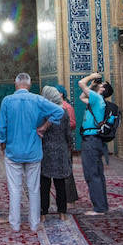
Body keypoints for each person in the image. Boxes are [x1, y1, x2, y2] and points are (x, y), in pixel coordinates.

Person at [0, 73, 65, 233]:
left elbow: (2, 128)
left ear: (15, 84)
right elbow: (59, 112)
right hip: (33, 151)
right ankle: (34, 224)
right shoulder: (37, 100)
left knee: (14, 189)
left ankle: (15, 225)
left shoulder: (7, 101)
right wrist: (45, 126)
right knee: (34, 189)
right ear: (29, 84)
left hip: (13, 152)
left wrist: (3, 146)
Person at [77, 72, 112, 215]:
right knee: (97, 173)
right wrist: (92, 85)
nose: (99, 84)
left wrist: (92, 76)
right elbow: (81, 97)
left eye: (100, 84)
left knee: (92, 174)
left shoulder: (97, 98)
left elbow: (80, 83)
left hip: (91, 141)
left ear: (102, 90)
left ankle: (99, 208)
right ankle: (102, 205)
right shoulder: (96, 100)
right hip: (94, 140)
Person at [38, 86, 75, 219]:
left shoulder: (42, 114)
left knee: (44, 184)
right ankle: (62, 213)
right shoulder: (63, 113)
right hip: (61, 151)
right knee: (60, 184)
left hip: (45, 152)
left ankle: (43, 213)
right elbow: (68, 134)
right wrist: (70, 147)